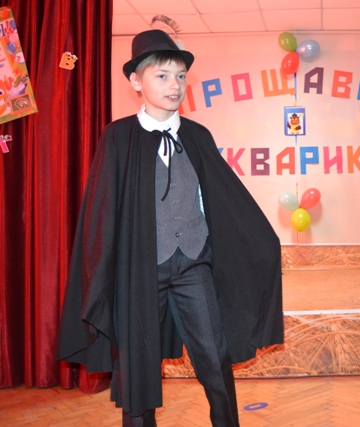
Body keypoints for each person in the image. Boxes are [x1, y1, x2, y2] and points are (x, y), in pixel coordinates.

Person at [57, 30, 284, 427]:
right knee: (137, 364)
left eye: (180, 76)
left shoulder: (196, 135)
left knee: (214, 356)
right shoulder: (118, 137)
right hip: (140, 271)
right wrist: (103, 272)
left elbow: (221, 199)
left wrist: (261, 242)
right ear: (136, 82)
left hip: (193, 264)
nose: (174, 85)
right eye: (162, 76)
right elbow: (102, 211)